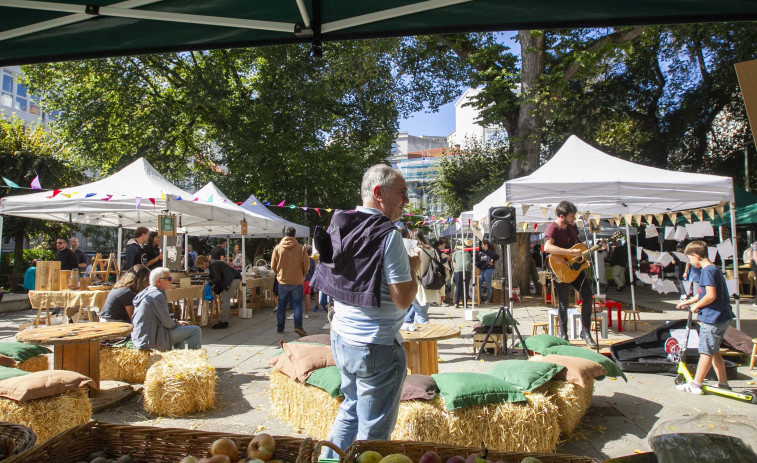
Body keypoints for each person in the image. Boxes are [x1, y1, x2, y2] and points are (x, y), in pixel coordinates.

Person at [310, 164, 420, 457]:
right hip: (376, 347)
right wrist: (414, 271)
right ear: (378, 193)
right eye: (402, 193)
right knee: (373, 435)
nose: (406, 201)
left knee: (350, 411)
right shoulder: (389, 235)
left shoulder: (341, 224)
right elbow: (402, 300)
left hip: (342, 338)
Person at [675, 240, 735, 394]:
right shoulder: (713, 269)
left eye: (690, 258)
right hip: (722, 316)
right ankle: (723, 383)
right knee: (714, 351)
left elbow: (710, 295)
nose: (690, 261)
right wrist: (688, 301)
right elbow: (702, 293)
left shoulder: (707, 271)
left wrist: (696, 306)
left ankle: (696, 385)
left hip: (712, 318)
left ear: (696, 255)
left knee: (706, 351)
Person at [543, 200, 600, 347]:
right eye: (571, 216)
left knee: (588, 296)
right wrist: (569, 252)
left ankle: (585, 331)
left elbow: (578, 248)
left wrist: (593, 249)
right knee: (564, 303)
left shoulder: (573, 227)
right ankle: (564, 335)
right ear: (562, 216)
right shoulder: (553, 228)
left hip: (575, 269)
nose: (574, 218)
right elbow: (547, 248)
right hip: (560, 270)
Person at [131, 267, 202, 351]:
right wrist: (177, 324)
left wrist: (176, 322)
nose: (171, 281)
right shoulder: (157, 295)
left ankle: (179, 360)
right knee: (195, 330)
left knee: (180, 330)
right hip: (150, 340)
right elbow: (167, 322)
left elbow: (164, 319)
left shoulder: (147, 292)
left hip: (143, 336)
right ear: (158, 281)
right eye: (168, 279)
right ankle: (194, 361)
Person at [271, 226, 310, 335]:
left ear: (284, 235)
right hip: (297, 280)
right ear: (294, 235)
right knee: (297, 304)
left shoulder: (278, 248)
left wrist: (278, 273)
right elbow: (306, 265)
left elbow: (273, 265)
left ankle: (280, 327)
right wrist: (302, 275)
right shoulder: (301, 248)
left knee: (282, 305)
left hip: (282, 280)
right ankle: (298, 326)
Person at [404, 229, 441, 325]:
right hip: (432, 286)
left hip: (418, 287)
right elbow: (440, 271)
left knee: (421, 315)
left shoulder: (414, 251)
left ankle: (426, 337)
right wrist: (442, 291)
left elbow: (410, 270)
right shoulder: (433, 250)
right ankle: (419, 337)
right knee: (419, 313)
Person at [194, 255, 242, 329]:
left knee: (225, 298)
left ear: (203, 263)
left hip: (233, 278)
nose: (202, 268)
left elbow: (217, 278)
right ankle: (223, 320)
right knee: (225, 298)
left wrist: (209, 283)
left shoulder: (213, 265)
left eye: (201, 267)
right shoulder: (213, 264)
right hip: (234, 278)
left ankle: (224, 321)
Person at [476, 239, 499, 304]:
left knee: (488, 285)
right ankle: (480, 297)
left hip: (489, 269)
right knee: (479, 282)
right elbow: (480, 261)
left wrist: (492, 261)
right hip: (483, 270)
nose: (481, 246)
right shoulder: (482, 252)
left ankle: (488, 299)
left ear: (486, 245)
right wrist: (476, 265)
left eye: (482, 244)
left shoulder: (490, 252)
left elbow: (496, 256)